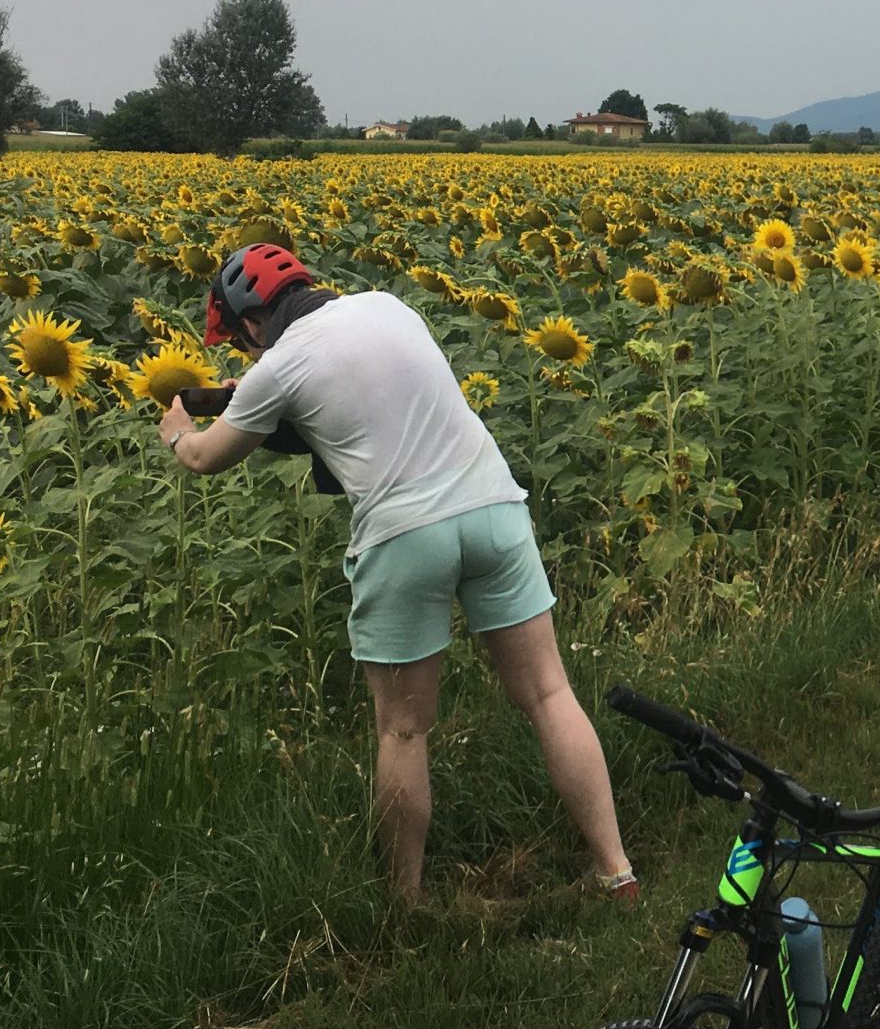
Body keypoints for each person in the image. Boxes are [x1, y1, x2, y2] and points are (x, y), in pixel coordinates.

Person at [160, 244, 635, 907]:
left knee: (404, 730)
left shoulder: (280, 364)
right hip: (495, 506)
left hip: (407, 535)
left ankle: (405, 906)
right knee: (551, 694)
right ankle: (617, 873)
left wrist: (177, 431)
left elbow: (210, 457)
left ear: (251, 324)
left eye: (242, 343)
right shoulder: (387, 305)